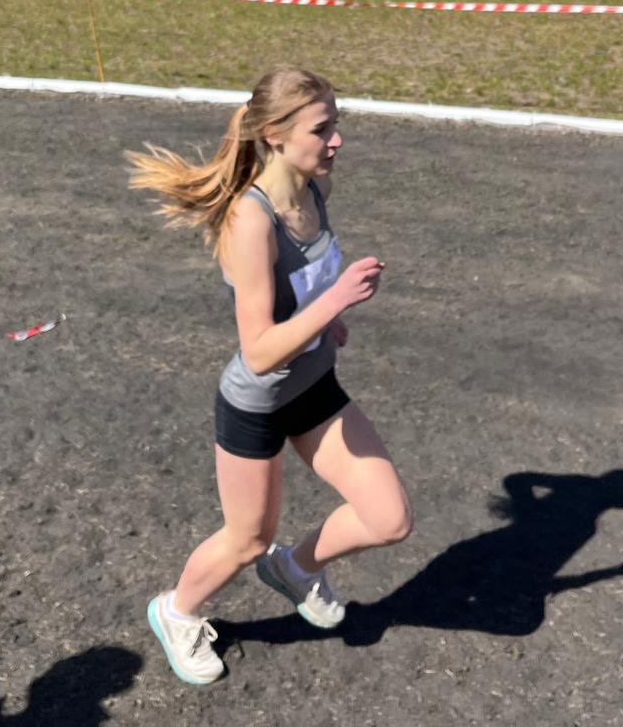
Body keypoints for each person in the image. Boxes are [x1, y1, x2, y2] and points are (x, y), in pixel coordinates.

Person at [126, 66, 413, 685]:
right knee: (247, 539)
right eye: (322, 128)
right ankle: (176, 612)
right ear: (276, 135)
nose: (336, 139)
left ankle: (296, 568)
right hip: (257, 405)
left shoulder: (315, 188)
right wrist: (336, 302)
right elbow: (258, 351)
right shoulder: (249, 222)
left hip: (314, 387)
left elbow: (302, 288)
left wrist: (327, 322)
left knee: (388, 518)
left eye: (337, 123)